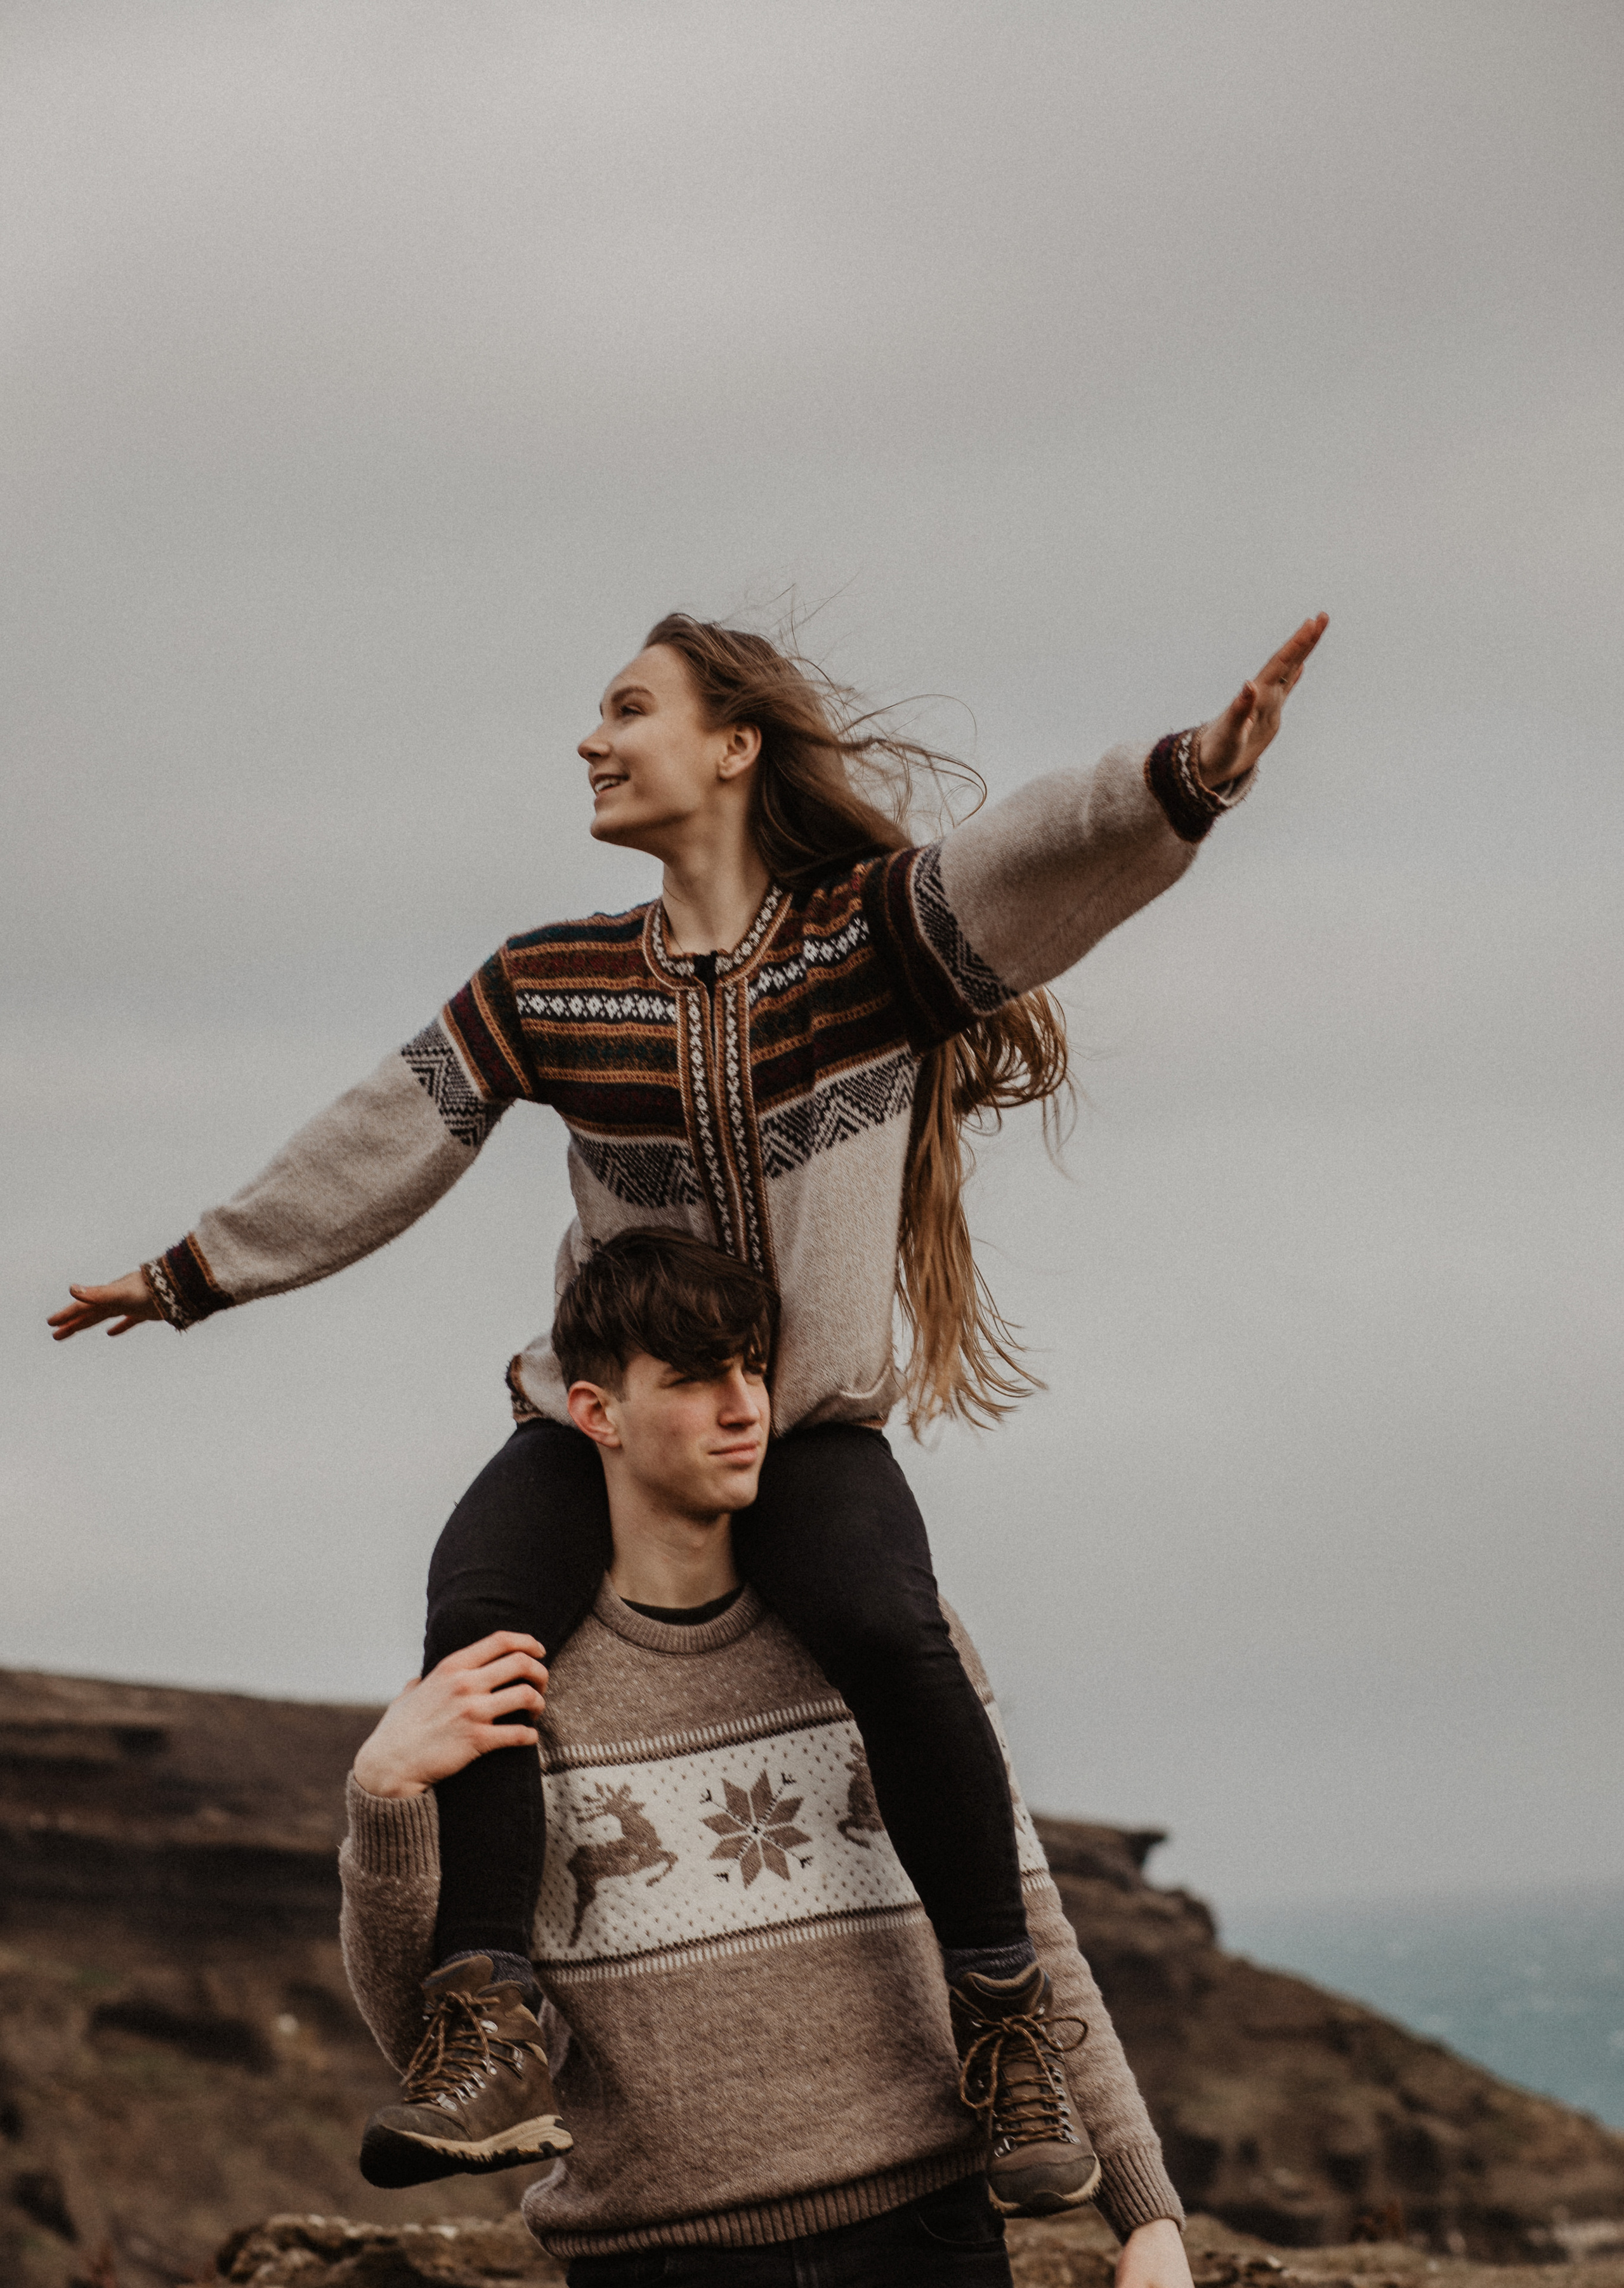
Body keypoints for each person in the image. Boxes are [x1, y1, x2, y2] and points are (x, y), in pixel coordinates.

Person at [49, 607, 1327, 2197]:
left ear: (732, 746)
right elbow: (387, 1128)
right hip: (592, 1423)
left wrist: (1186, 775)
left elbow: (1025, 855)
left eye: (627, 708)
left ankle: (1002, 2034)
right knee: (478, 1612)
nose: (591, 740)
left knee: (887, 1627)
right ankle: (489, 2023)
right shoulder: (553, 983)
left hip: (800, 1424)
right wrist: (199, 1269)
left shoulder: (870, 943)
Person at [339, 1229, 1207, 2288]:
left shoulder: (891, 1643)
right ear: (595, 1412)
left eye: (753, 1369)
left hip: (929, 2260)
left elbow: (1024, 1926)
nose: (745, 1408)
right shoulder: (515, 1686)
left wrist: (1145, 2211)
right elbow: (428, 2042)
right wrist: (384, 1801)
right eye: (696, 1378)